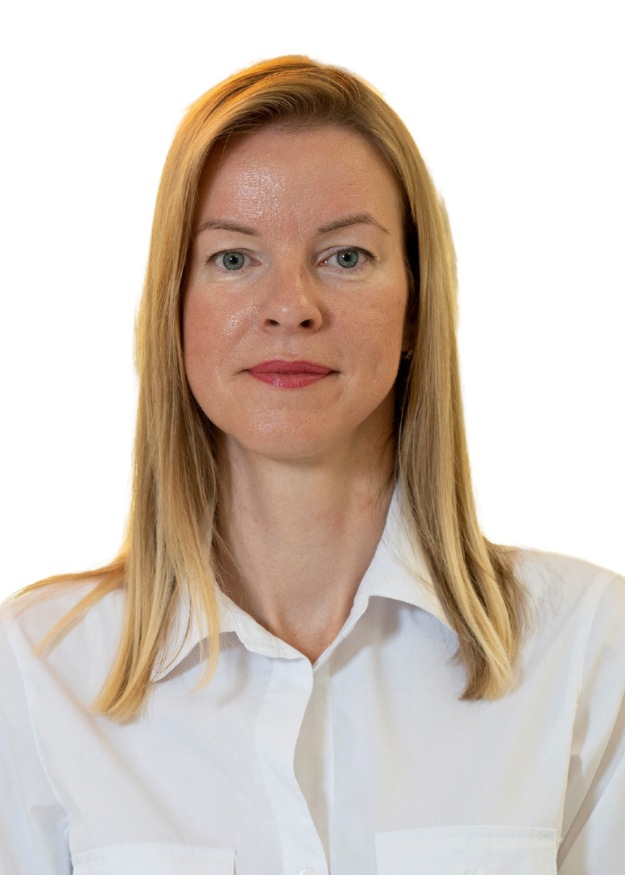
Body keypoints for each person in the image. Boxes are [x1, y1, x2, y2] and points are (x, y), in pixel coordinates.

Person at [0, 55, 623, 875]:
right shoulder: (38, 670)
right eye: (233, 258)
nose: (291, 306)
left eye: (346, 257)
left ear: (415, 304)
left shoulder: (586, 647)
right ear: (174, 307)